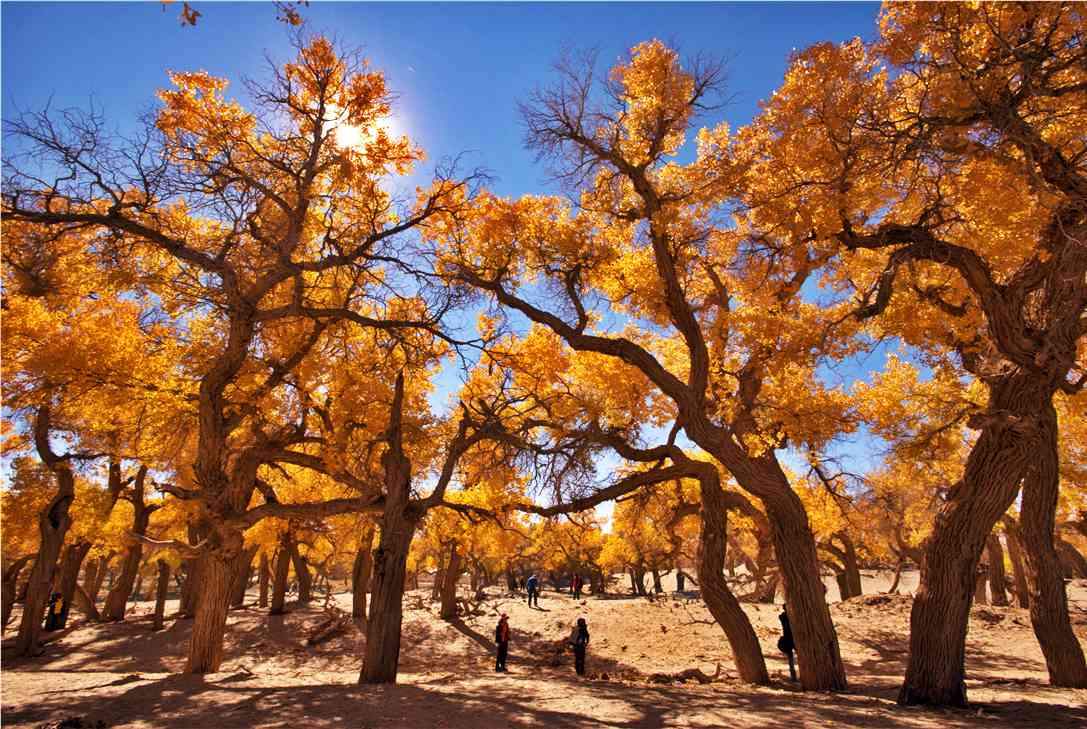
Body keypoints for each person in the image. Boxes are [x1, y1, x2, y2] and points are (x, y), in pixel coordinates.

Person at [777, 605, 797, 682]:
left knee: (790, 659)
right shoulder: (788, 617)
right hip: (792, 639)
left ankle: (793, 676)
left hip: (787, 639)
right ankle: (794, 676)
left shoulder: (783, 616)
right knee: (792, 659)